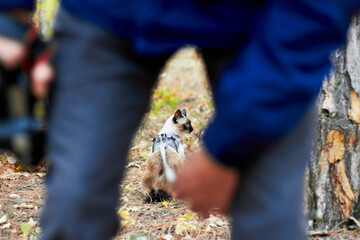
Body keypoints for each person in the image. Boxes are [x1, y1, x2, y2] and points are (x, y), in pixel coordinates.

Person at [1, 1, 359, 239]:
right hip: (106, 13)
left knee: (269, 215)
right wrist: (9, 19)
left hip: (260, 20)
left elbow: (313, 13)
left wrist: (231, 145)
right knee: (72, 204)